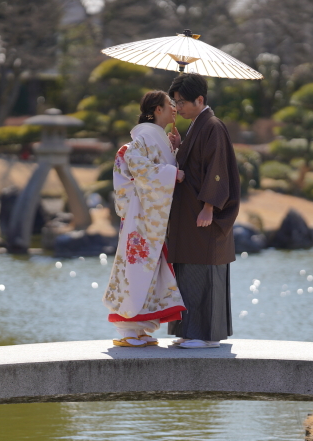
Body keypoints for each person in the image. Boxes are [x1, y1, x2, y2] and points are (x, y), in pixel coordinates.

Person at [102, 90, 187, 347]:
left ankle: (139, 328)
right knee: (137, 268)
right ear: (157, 110)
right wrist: (172, 172)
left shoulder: (156, 135)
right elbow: (132, 159)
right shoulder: (146, 134)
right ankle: (128, 329)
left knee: (150, 269)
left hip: (149, 214)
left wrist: (176, 148)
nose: (174, 108)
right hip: (142, 215)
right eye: (169, 104)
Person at [166, 73, 240, 349]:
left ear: (200, 99)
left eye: (182, 102)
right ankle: (192, 332)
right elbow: (196, 165)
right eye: (175, 102)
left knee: (203, 270)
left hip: (202, 214)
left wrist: (209, 206)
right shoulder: (198, 125)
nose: (178, 108)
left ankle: (204, 335)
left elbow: (217, 170)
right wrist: (178, 147)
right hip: (190, 214)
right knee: (188, 271)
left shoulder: (213, 126)